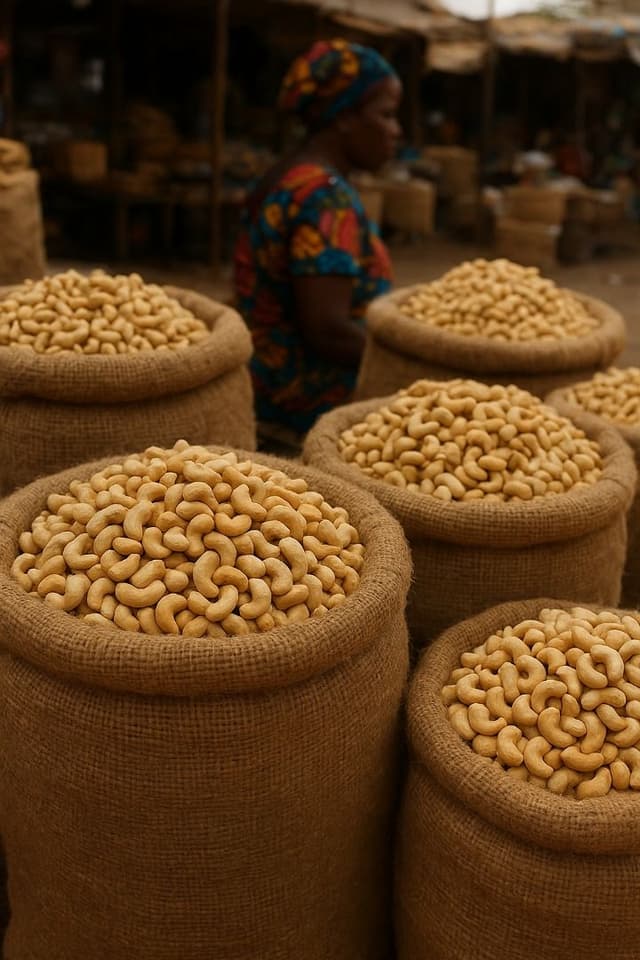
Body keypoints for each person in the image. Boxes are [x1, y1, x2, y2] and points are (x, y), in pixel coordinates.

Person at [233, 38, 402, 441]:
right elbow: (327, 330)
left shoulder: (287, 175)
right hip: (306, 407)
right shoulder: (326, 198)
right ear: (344, 117)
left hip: (263, 385)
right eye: (386, 115)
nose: (396, 131)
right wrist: (405, 363)